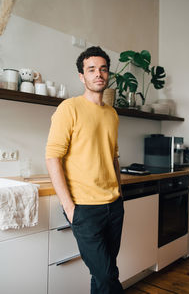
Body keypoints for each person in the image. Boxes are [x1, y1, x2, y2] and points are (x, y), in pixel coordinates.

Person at [45, 46, 124, 294]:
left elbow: (113, 157)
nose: (98, 74)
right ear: (82, 76)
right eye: (91, 69)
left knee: (102, 275)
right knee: (107, 275)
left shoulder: (112, 114)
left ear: (107, 74)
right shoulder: (69, 108)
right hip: (85, 209)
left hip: (113, 206)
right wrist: (70, 208)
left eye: (102, 69)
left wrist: (119, 192)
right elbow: (52, 157)